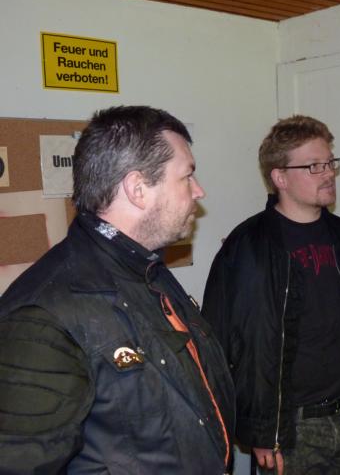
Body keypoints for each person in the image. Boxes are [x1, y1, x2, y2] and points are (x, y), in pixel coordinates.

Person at [0, 106, 234, 474]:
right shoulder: (42, 319)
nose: (199, 191)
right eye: (187, 176)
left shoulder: (146, 269)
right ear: (138, 189)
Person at [201, 115, 340, 474]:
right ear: (280, 177)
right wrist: (260, 429)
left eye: (330, 163)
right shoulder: (246, 248)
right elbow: (220, 344)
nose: (328, 174)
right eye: (313, 166)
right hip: (288, 432)